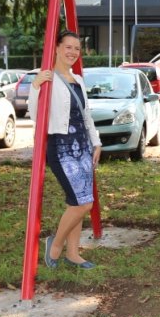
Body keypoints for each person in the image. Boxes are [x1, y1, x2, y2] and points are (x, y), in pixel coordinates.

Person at [29, 30, 102, 270]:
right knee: (82, 203)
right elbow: (34, 113)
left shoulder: (78, 80)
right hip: (61, 146)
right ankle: (56, 244)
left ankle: (73, 253)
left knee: (80, 201)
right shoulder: (47, 78)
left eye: (77, 49)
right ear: (57, 48)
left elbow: (86, 115)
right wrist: (36, 87)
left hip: (82, 145)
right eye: (68, 47)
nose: (72, 52)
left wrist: (96, 142)